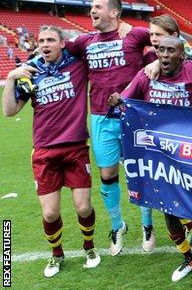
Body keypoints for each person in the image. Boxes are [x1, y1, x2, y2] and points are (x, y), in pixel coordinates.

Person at [108, 36, 192, 281]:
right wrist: (117, 100)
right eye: (161, 50)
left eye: (171, 51)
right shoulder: (146, 76)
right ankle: (189, 258)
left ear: (182, 54)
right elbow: (124, 100)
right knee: (167, 209)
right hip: (161, 157)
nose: (165, 55)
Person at [2, 26, 100, 277]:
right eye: (42, 40)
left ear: (62, 43)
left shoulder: (77, 64)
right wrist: (12, 78)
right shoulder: (31, 72)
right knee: (50, 212)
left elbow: (97, 45)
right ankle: (56, 255)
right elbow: (10, 111)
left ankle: (89, 247)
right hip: (45, 151)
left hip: (76, 147)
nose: (45, 44)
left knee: (83, 208)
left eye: (51, 40)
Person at [63, 0, 152, 256]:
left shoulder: (134, 36)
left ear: (114, 13)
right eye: (91, 7)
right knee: (107, 175)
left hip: (133, 115)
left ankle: (148, 224)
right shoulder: (84, 41)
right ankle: (117, 225)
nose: (92, 11)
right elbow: (56, 48)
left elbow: (168, 33)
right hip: (101, 118)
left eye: (97, 7)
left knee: (139, 172)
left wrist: (134, 27)